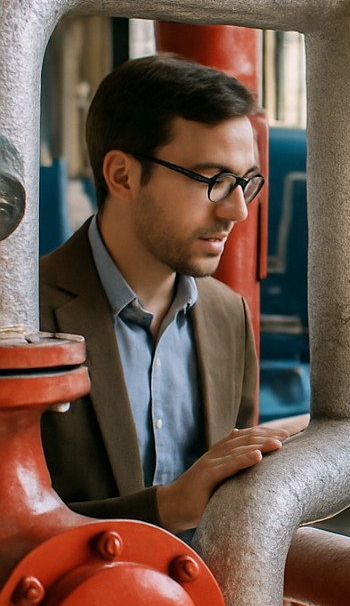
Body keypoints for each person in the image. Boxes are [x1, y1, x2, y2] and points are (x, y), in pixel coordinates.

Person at [39, 53, 298, 535]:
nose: (238, 211)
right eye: (215, 181)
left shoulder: (228, 314)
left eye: (246, 182)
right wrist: (166, 507)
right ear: (123, 176)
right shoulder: (19, 313)